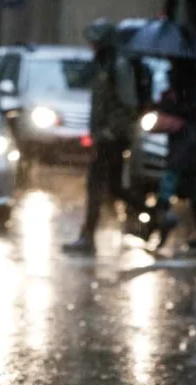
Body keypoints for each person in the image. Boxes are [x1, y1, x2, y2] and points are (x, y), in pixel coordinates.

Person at [63, 19, 150, 255]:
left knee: (96, 186)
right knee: (114, 187)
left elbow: (128, 104)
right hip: (104, 136)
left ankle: (87, 237)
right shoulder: (103, 62)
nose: (91, 45)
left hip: (113, 138)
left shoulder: (118, 64)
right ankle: (157, 217)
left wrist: (110, 131)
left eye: (95, 40)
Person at [153, 58, 196, 248]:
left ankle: (157, 227)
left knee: (171, 183)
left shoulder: (194, 83)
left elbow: (190, 110)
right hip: (182, 142)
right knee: (192, 188)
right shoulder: (175, 80)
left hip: (188, 142)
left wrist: (172, 104)